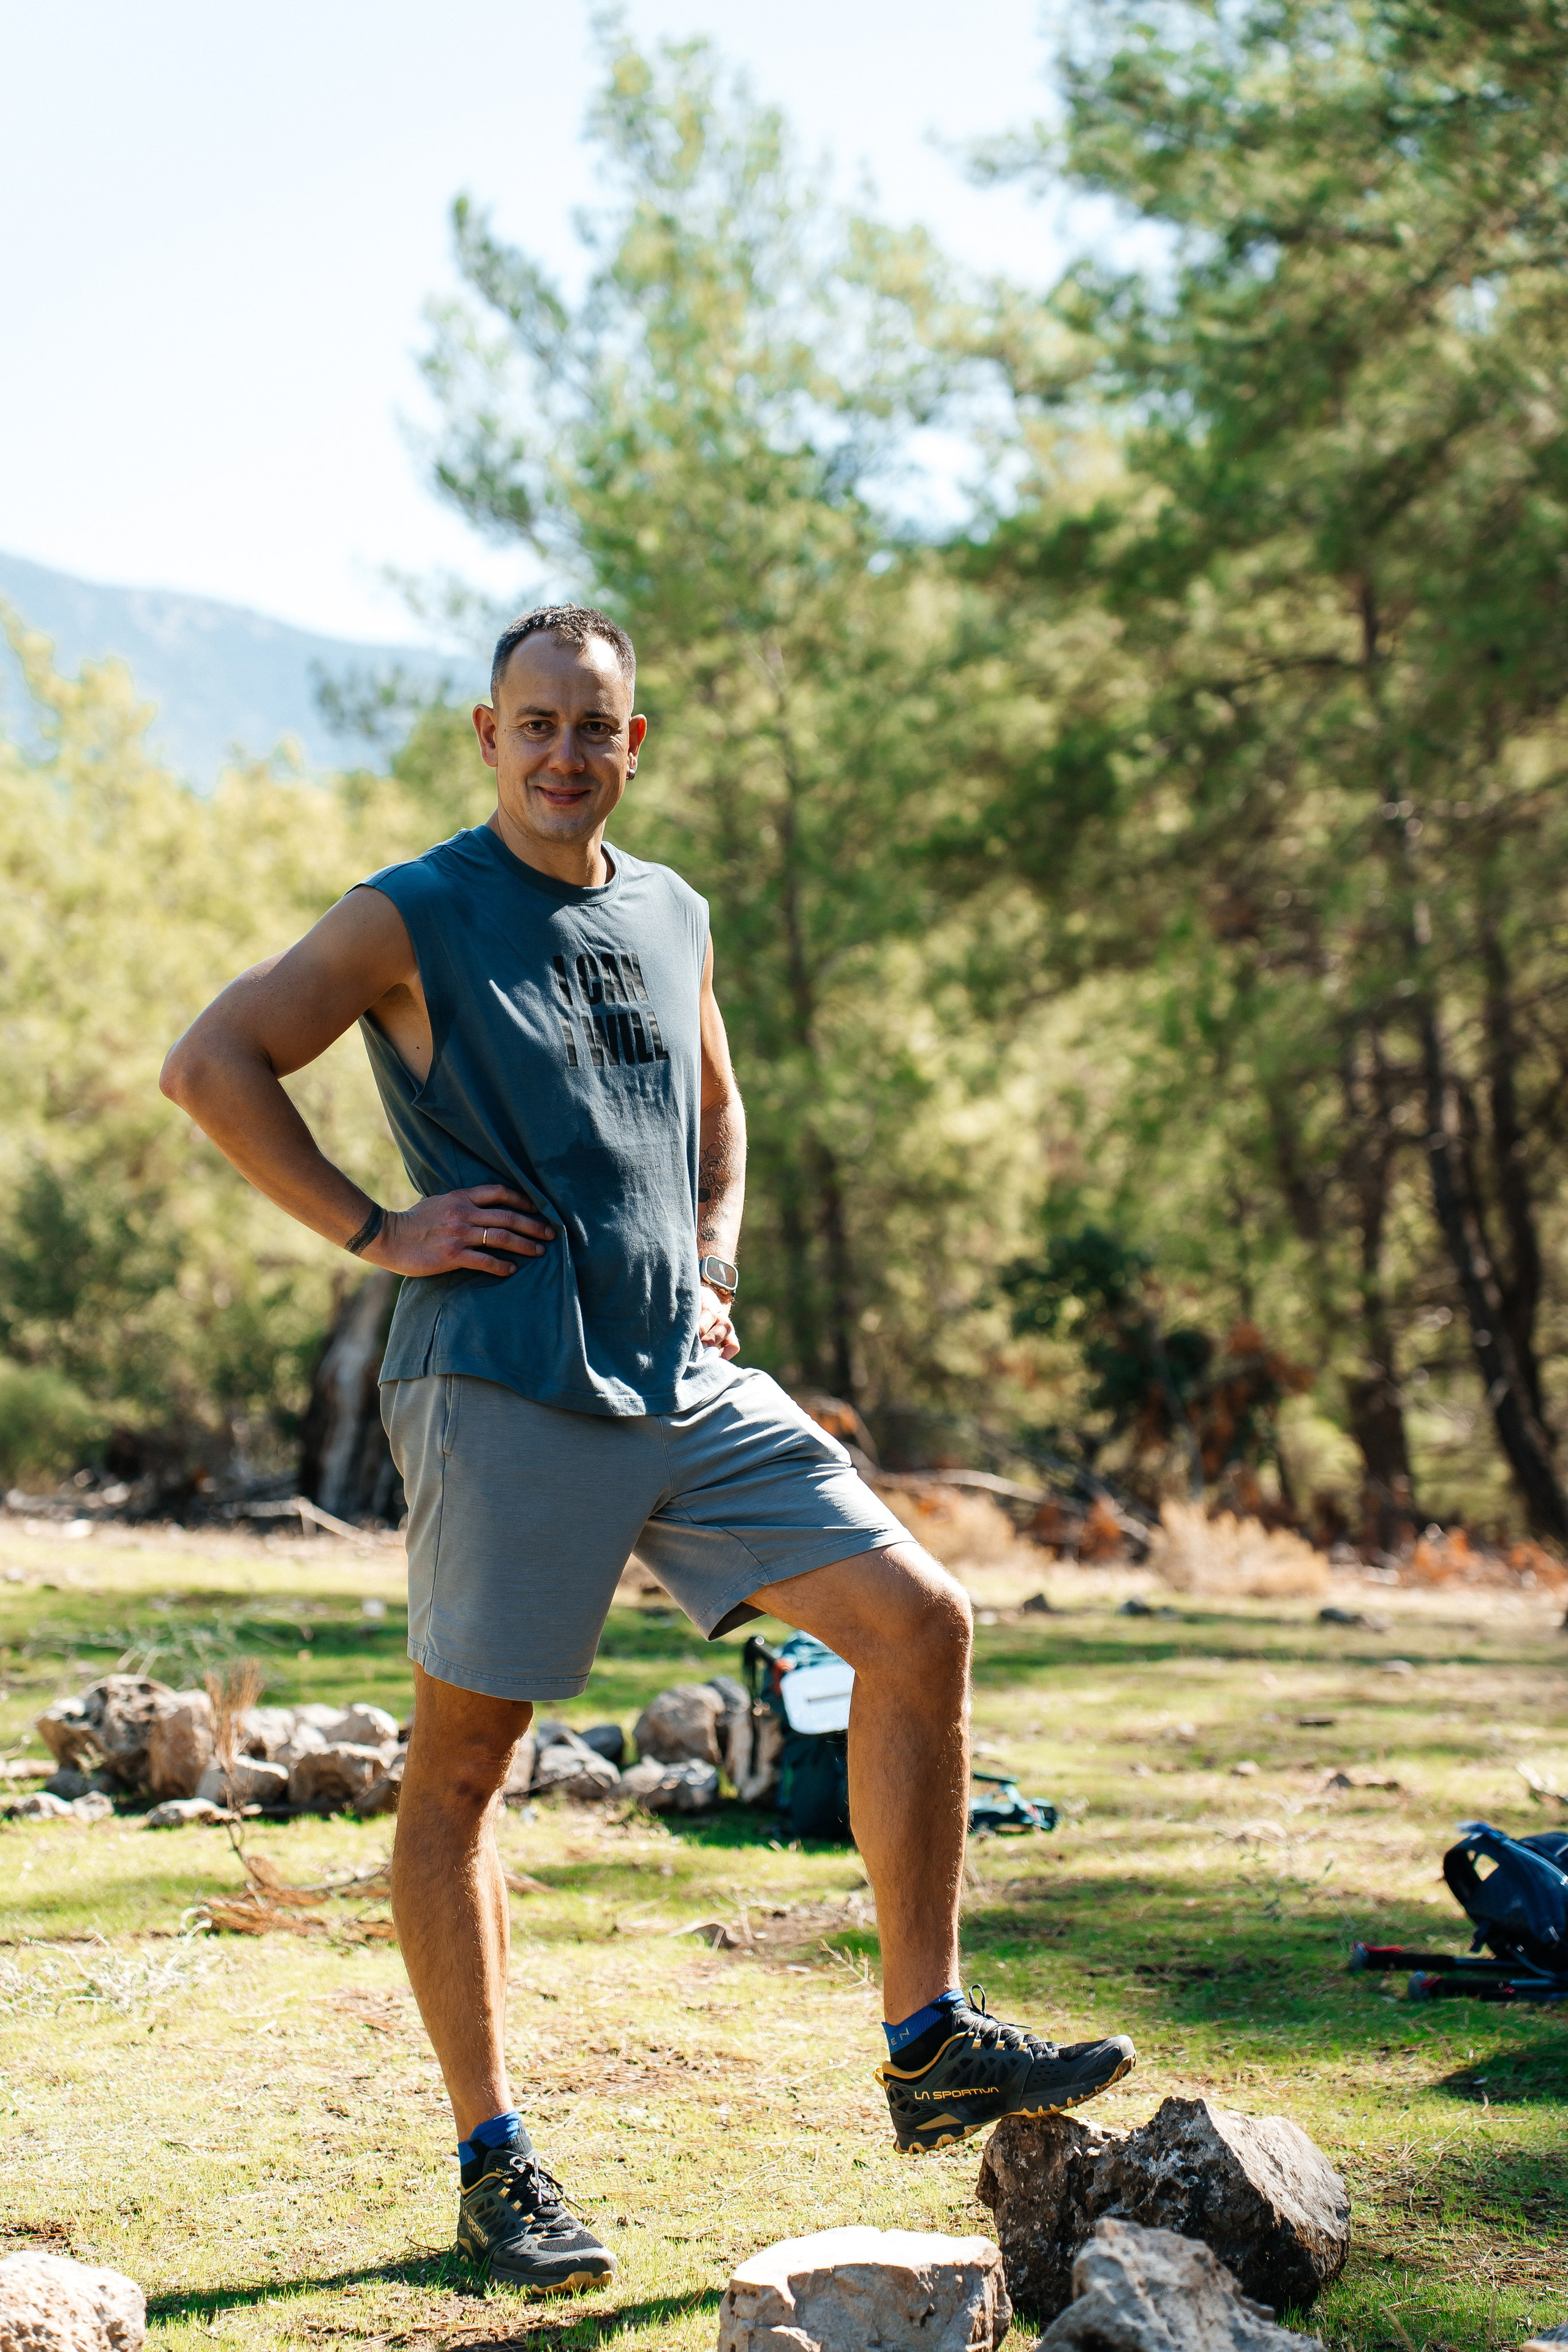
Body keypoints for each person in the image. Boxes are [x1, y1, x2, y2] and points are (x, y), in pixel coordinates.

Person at [160, 603, 1136, 2297]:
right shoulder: (413, 914)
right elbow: (211, 1061)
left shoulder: (670, 910)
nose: (564, 754)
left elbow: (721, 1105)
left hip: (681, 1381)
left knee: (922, 1627)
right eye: (534, 725)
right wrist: (376, 1226)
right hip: (501, 1383)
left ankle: (925, 2038)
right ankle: (495, 2161)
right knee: (464, 1769)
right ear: (487, 737)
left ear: (634, 745)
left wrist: (720, 1258)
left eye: (593, 728)